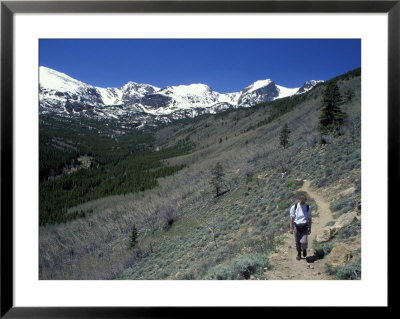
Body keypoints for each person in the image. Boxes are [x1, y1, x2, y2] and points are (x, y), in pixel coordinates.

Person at [289, 194, 312, 260]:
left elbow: (310, 218)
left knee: (304, 242)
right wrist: (291, 228)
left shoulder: (308, 207)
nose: (302, 201)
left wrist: (310, 228)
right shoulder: (294, 207)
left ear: (305, 199)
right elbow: (292, 218)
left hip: (304, 226)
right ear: (299, 199)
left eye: (303, 199)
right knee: (297, 241)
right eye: (301, 199)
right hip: (296, 226)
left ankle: (304, 249)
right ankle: (299, 253)